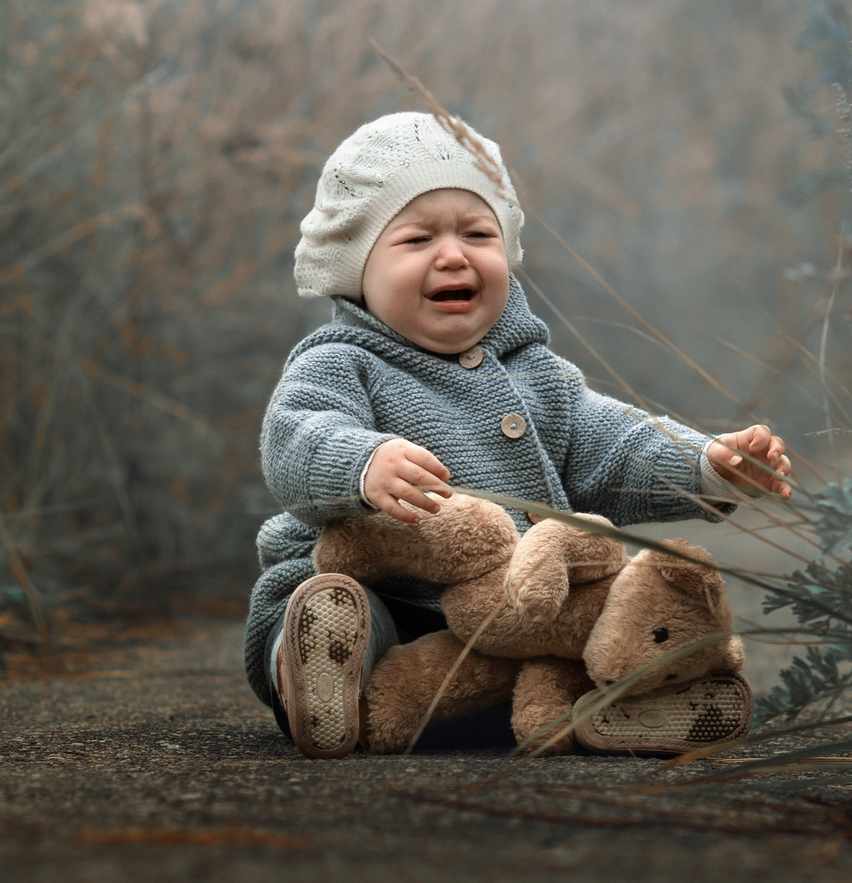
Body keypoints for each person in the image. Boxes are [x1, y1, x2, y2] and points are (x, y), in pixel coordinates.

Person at [243, 110, 793, 758]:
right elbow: (296, 434)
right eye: (417, 240)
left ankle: (631, 704)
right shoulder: (342, 362)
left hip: (518, 623)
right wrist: (362, 463)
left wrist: (706, 464)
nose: (453, 254)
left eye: (478, 233)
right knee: (349, 610)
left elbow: (614, 446)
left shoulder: (538, 377)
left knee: (623, 613)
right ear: (355, 268)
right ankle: (317, 672)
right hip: (384, 598)